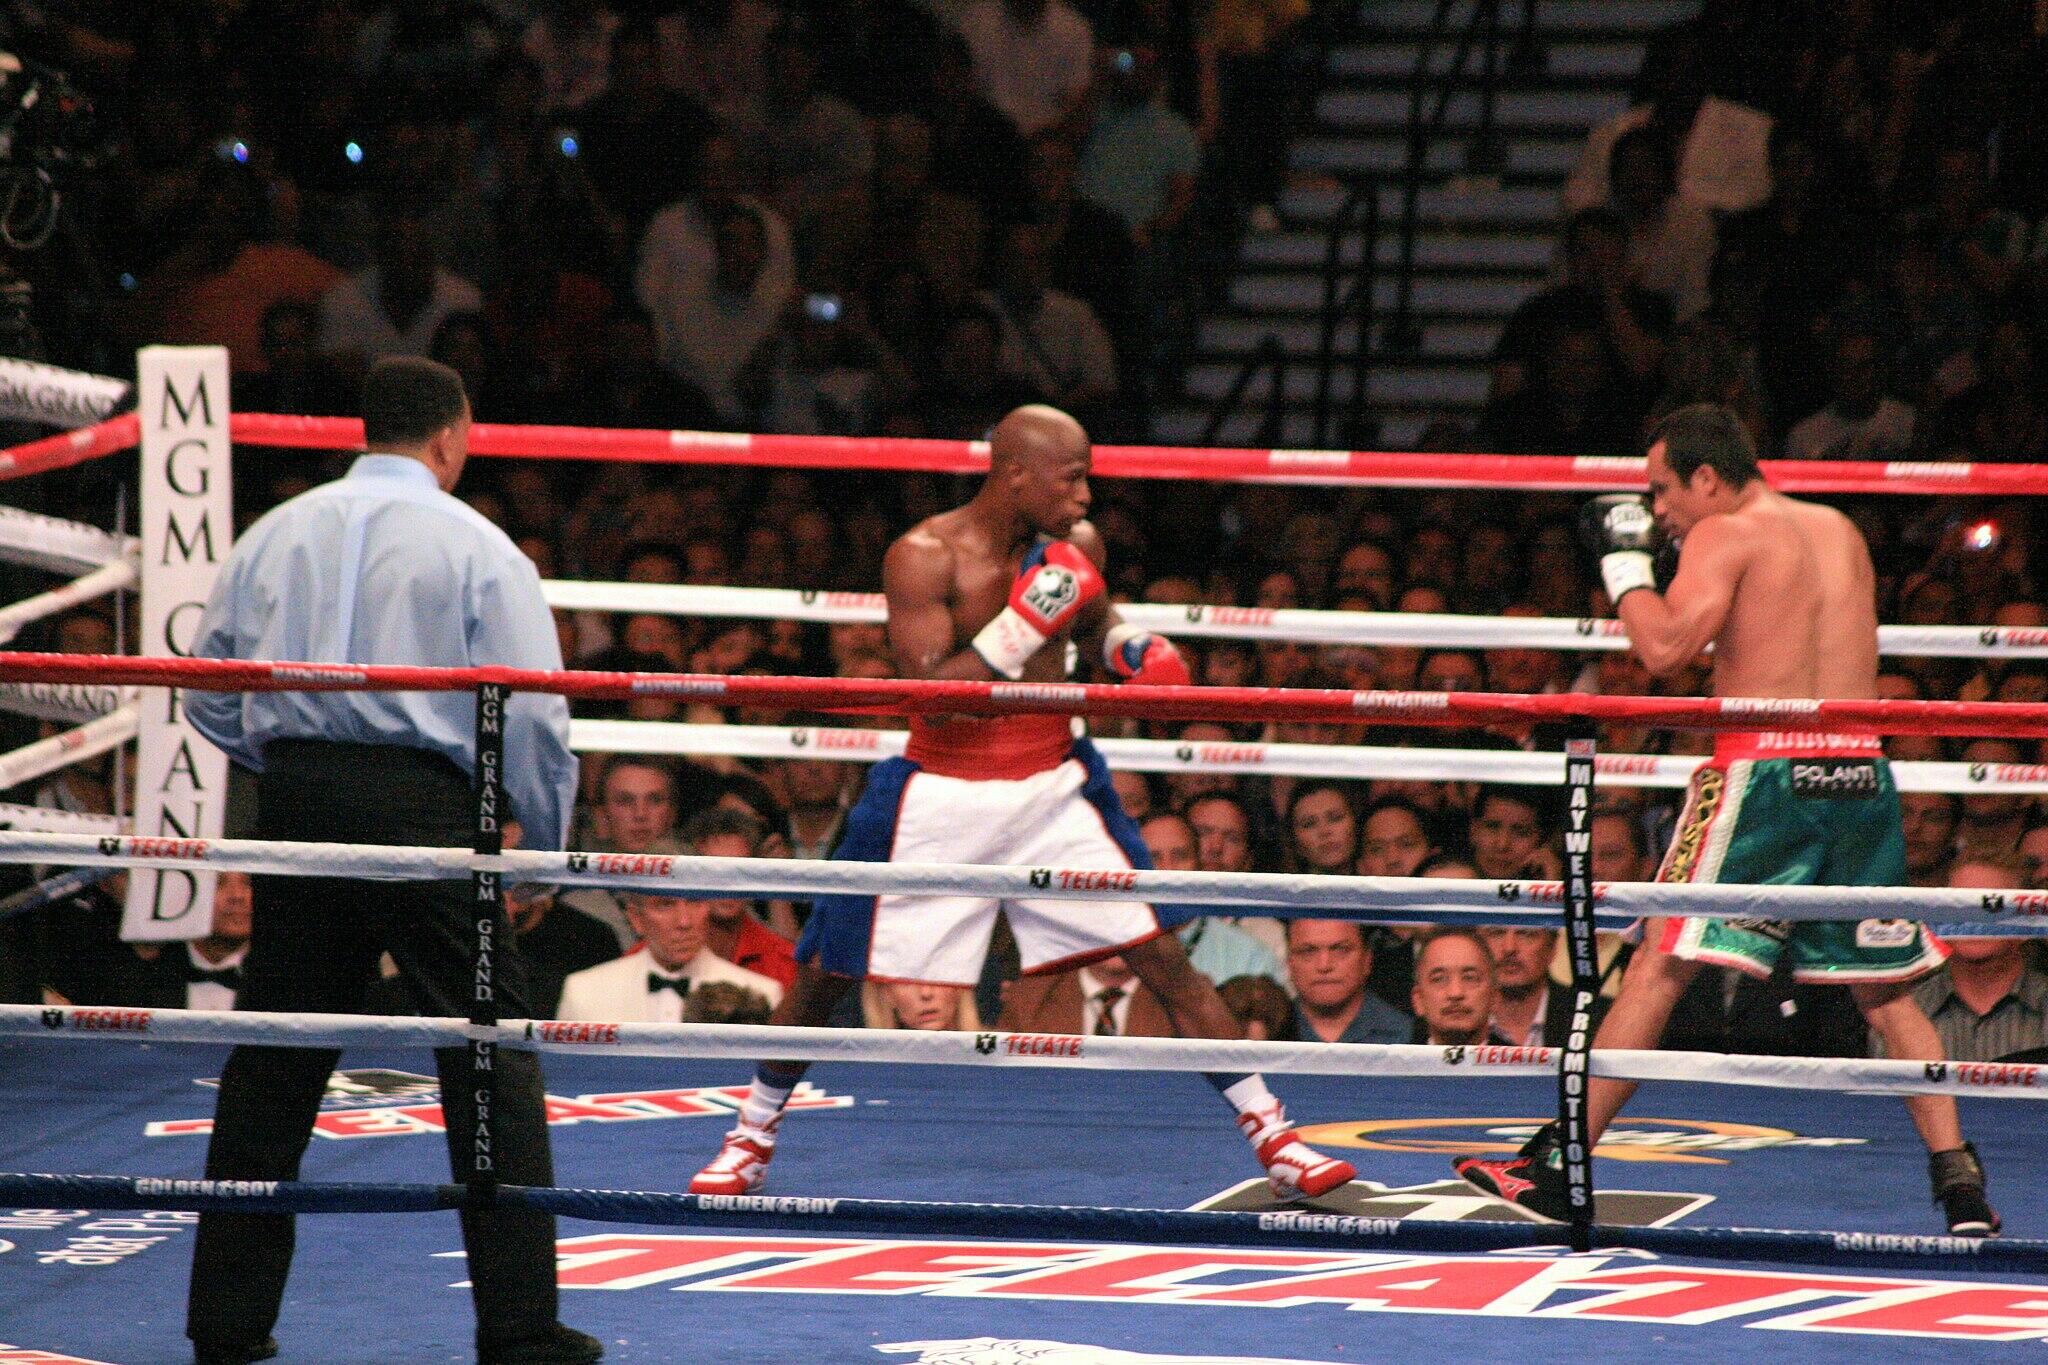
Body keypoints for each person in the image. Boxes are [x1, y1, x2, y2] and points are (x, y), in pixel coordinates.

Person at [690, 405, 1353, 1200]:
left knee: (1161, 953)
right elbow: (931, 696)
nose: (1085, 495)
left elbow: (1096, 621)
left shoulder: (1078, 547)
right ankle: (751, 1132)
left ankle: (1276, 1136)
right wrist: (1019, 623)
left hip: (1051, 775)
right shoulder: (923, 557)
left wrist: (1136, 649)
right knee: (831, 963)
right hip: (939, 784)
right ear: (1015, 475)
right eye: (1071, 478)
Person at [1454, 403, 1997, 1236]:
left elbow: (1665, 651)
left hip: (1765, 773)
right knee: (1884, 993)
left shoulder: (1726, 533)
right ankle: (1961, 1186)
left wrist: (1627, 565)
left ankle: (1560, 1163)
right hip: (1858, 768)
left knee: (1658, 967)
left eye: (1664, 490)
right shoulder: (1837, 529)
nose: (1660, 508)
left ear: (1709, 477)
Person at [184, 357, 598, 1362]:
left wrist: (292, 759)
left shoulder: (274, 532)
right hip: (425, 811)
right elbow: (533, 715)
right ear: (452, 436)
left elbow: (203, 687)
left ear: (363, 426)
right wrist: (538, 848)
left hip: (298, 804)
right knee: (488, 1056)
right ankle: (517, 1327)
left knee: (276, 1058)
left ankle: (226, 1327)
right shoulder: (477, 545)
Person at [556, 854, 784, 1023]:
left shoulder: (762, 993)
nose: (684, 921)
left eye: (695, 901)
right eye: (665, 905)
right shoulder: (584, 992)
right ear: (636, 919)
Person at [1286, 919, 1411, 1045]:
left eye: (1341, 949)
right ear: (1289, 963)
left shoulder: (1409, 1035)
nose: (1324, 965)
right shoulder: (1271, 1031)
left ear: (1367, 959)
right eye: (1308, 951)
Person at [1411, 929, 1498, 1046]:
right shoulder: (1392, 1063)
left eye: (1469, 978)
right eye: (1439, 979)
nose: (1455, 993)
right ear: (1418, 1000)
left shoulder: (1525, 1063)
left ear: (1494, 996)